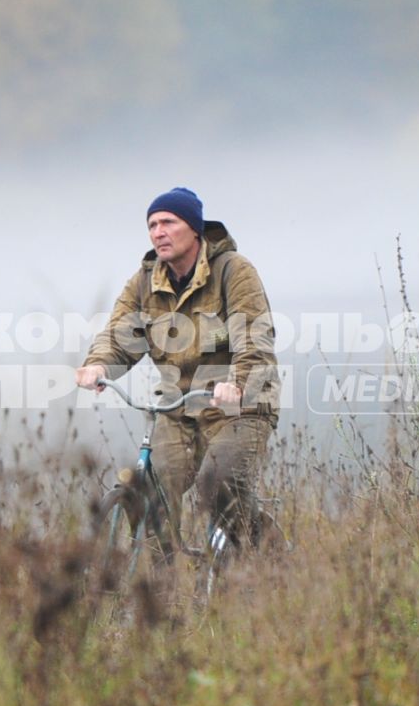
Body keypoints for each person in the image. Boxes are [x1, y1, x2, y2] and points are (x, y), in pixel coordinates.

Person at [75, 187, 279, 549]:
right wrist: (98, 365)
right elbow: (121, 335)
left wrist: (238, 384)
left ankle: (266, 551)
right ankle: (166, 587)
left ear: (195, 229)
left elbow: (254, 338)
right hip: (177, 405)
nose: (158, 232)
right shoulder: (145, 281)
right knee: (154, 491)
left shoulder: (234, 271)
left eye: (168, 221)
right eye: (152, 225)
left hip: (238, 406)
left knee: (218, 483)